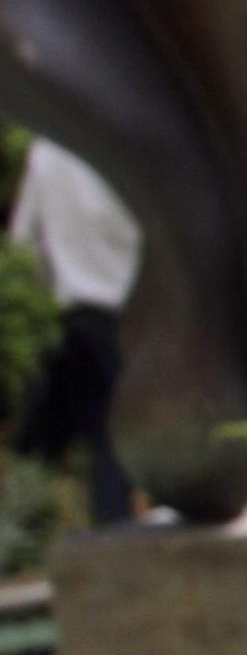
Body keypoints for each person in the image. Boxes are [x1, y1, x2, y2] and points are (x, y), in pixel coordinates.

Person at [8, 137, 140, 525]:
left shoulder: (46, 152)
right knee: (113, 436)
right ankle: (115, 533)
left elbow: (24, 242)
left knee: (53, 438)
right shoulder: (120, 143)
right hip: (128, 314)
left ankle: (16, 526)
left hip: (70, 317)